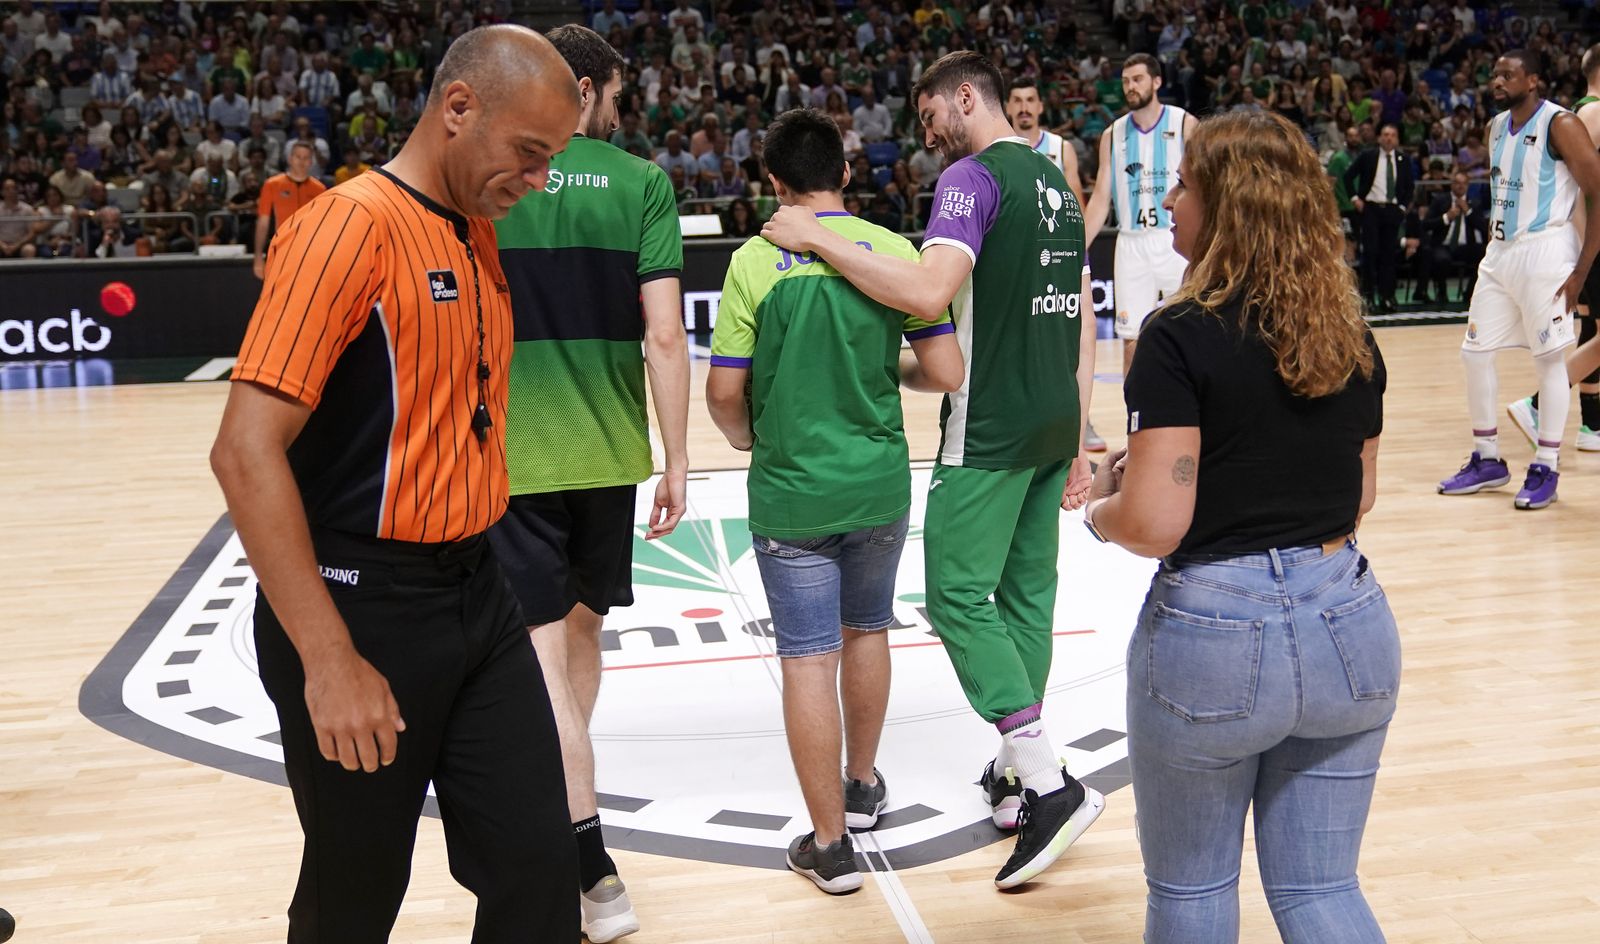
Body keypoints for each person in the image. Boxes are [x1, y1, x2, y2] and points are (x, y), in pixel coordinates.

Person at [208, 25, 583, 942]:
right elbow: (244, 452)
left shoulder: (472, 226)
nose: (537, 182)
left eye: (550, 162)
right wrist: (330, 662)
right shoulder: (344, 230)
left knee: (540, 867)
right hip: (360, 608)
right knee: (355, 894)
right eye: (528, 154)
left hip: (475, 594)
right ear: (458, 109)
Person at [762, 51, 1102, 891]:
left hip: (987, 427)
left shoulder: (970, 181)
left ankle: (1049, 785)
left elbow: (925, 291)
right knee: (1024, 600)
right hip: (1052, 416)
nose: (924, 135)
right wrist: (1083, 431)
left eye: (928, 116)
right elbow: (1083, 316)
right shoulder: (1058, 180)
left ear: (963, 99)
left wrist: (817, 237)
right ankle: (1018, 773)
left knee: (955, 597)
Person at [1084, 105, 1396, 944]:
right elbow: (1356, 497)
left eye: (1185, 183)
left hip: (1214, 638)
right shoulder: (1350, 334)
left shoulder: (1177, 335)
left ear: (1227, 205)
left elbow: (1154, 520)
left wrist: (1101, 512)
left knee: (1191, 894)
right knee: (1321, 891)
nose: (1171, 199)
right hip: (1351, 626)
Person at [706, 108, 963, 896]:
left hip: (793, 494)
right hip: (878, 484)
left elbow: (722, 393)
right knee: (868, 631)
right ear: (846, 175)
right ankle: (862, 788)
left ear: (774, 185)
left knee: (806, 660)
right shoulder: (894, 251)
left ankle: (829, 846)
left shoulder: (754, 261)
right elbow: (945, 370)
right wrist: (895, 375)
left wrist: (749, 438)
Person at [487, 25, 688, 943]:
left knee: (546, 669)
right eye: (615, 91)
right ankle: (578, 831)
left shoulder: (498, 177)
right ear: (588, 86)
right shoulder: (642, 183)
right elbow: (665, 334)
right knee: (574, 648)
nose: (623, 106)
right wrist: (679, 457)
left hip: (517, 455)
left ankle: (584, 856)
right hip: (609, 455)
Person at [1438, 50, 1600, 510]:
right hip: (1501, 253)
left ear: (1533, 81)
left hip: (1546, 253)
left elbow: (1596, 190)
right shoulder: (1494, 127)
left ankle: (1546, 465)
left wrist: (1580, 271)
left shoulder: (1561, 124)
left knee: (1550, 361)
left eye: (1507, 74)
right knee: (1474, 353)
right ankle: (1488, 459)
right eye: (1494, 73)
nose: (1497, 80)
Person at [1506, 43, 1600, 454]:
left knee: (1595, 335)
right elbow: (1576, 191)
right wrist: (1584, 249)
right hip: (1591, 244)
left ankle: (1565, 416)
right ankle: (1538, 404)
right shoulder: (1592, 111)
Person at [1082, 54, 1198, 378]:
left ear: (1157, 81)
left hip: (1176, 240)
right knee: (1131, 340)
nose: (1130, 87)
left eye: (1137, 79)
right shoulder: (1112, 135)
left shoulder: (1184, 123)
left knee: (1191, 330)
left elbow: (1205, 186)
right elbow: (1101, 199)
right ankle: (1135, 421)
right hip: (1131, 242)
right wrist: (1076, 248)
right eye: (1125, 81)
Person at [1006, 75, 1104, 452]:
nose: (1025, 107)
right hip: (1017, 258)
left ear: (1041, 107)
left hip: (1060, 256)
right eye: (1018, 100)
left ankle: (1082, 417)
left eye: (1031, 100)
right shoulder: (998, 148)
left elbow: (1076, 207)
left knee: (1077, 334)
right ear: (1008, 107)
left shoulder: (1060, 148)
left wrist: (1076, 260)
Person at [1344, 124, 1415, 314]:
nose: (1389, 138)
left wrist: (1401, 207)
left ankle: (1387, 296)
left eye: (1392, 135)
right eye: (1385, 135)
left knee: (1389, 257)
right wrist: (1355, 199)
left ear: (1397, 139)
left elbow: (1410, 186)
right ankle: (1368, 297)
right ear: (1379, 138)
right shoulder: (1368, 156)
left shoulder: (1403, 160)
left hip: (1392, 210)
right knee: (1370, 254)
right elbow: (1348, 177)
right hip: (1371, 209)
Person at [252, 140, 326, 278]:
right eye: (298, 157)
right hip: (281, 248)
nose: (302, 161)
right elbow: (263, 222)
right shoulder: (272, 184)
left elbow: (324, 225)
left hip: (310, 251)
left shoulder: (319, 189)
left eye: (306, 158)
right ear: (290, 159)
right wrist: (258, 257)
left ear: (311, 161)